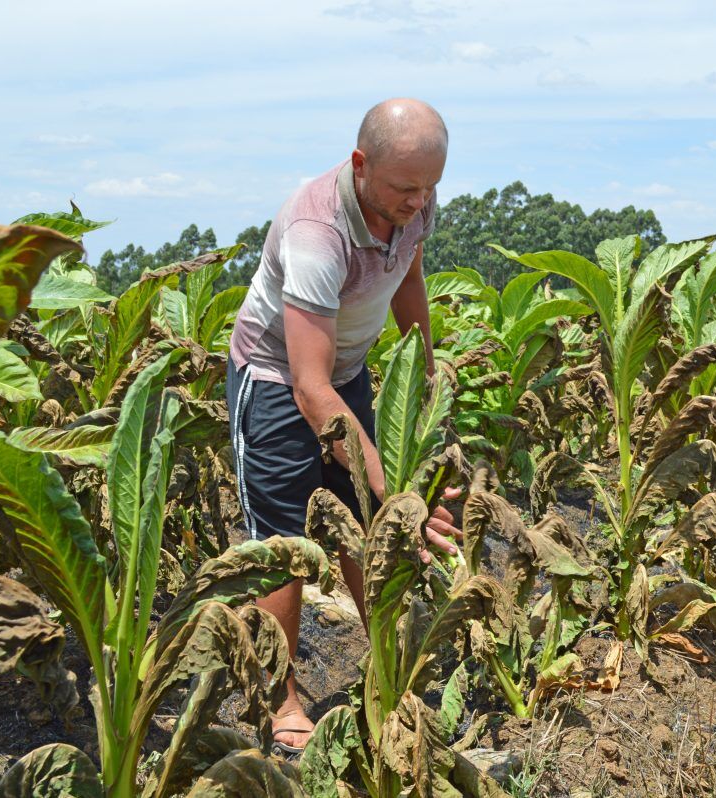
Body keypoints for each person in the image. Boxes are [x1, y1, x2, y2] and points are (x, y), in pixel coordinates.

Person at [226, 98, 462, 754]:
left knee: (362, 530)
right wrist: (400, 498)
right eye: (404, 188)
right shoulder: (316, 230)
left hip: (345, 372)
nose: (418, 201)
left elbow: (408, 269)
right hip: (277, 380)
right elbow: (309, 386)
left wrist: (426, 367)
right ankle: (283, 704)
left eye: (429, 187)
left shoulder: (412, 203)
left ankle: (387, 667)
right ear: (361, 166)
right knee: (284, 545)